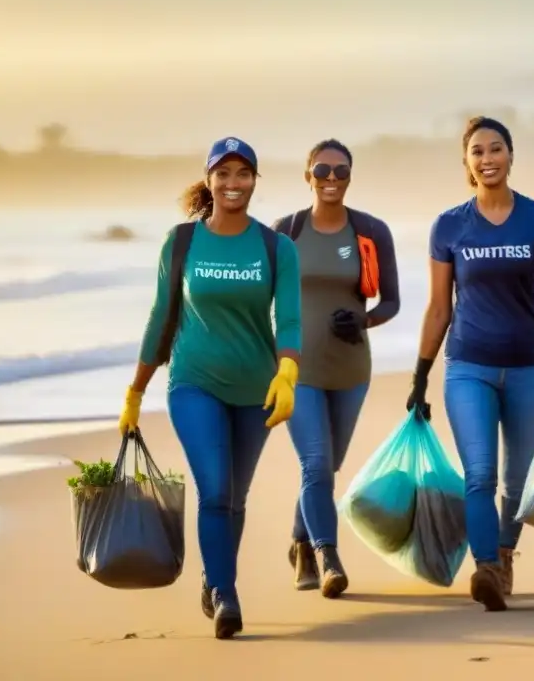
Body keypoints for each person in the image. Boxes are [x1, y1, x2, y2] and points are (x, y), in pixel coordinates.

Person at [117, 136, 302, 640]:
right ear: (209, 179)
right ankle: (225, 593)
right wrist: (136, 391)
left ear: (255, 182)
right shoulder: (181, 242)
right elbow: (161, 319)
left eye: (243, 174)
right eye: (223, 173)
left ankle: (214, 577)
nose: (233, 183)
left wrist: (288, 372)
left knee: (235, 497)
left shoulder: (275, 246)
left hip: (257, 389)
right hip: (194, 383)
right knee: (215, 488)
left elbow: (288, 319)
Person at [406, 116, 534, 612]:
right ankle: (485, 569)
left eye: (496, 148)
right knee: (479, 475)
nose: (487, 158)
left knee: (517, 481)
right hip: (468, 366)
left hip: (529, 367)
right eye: (477, 151)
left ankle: (503, 557)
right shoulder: (450, 225)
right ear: (467, 162)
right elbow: (439, 307)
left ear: (511, 156)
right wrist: (420, 372)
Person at [272, 139, 400, 598]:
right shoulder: (285, 231)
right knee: (317, 463)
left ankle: (300, 543)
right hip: (296, 369)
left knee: (328, 468)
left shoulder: (370, 231)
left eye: (340, 172)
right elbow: (259, 302)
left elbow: (392, 301)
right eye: (322, 170)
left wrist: (364, 319)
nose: (331, 179)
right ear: (307, 174)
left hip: (350, 368)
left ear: (350, 176)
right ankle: (328, 556)